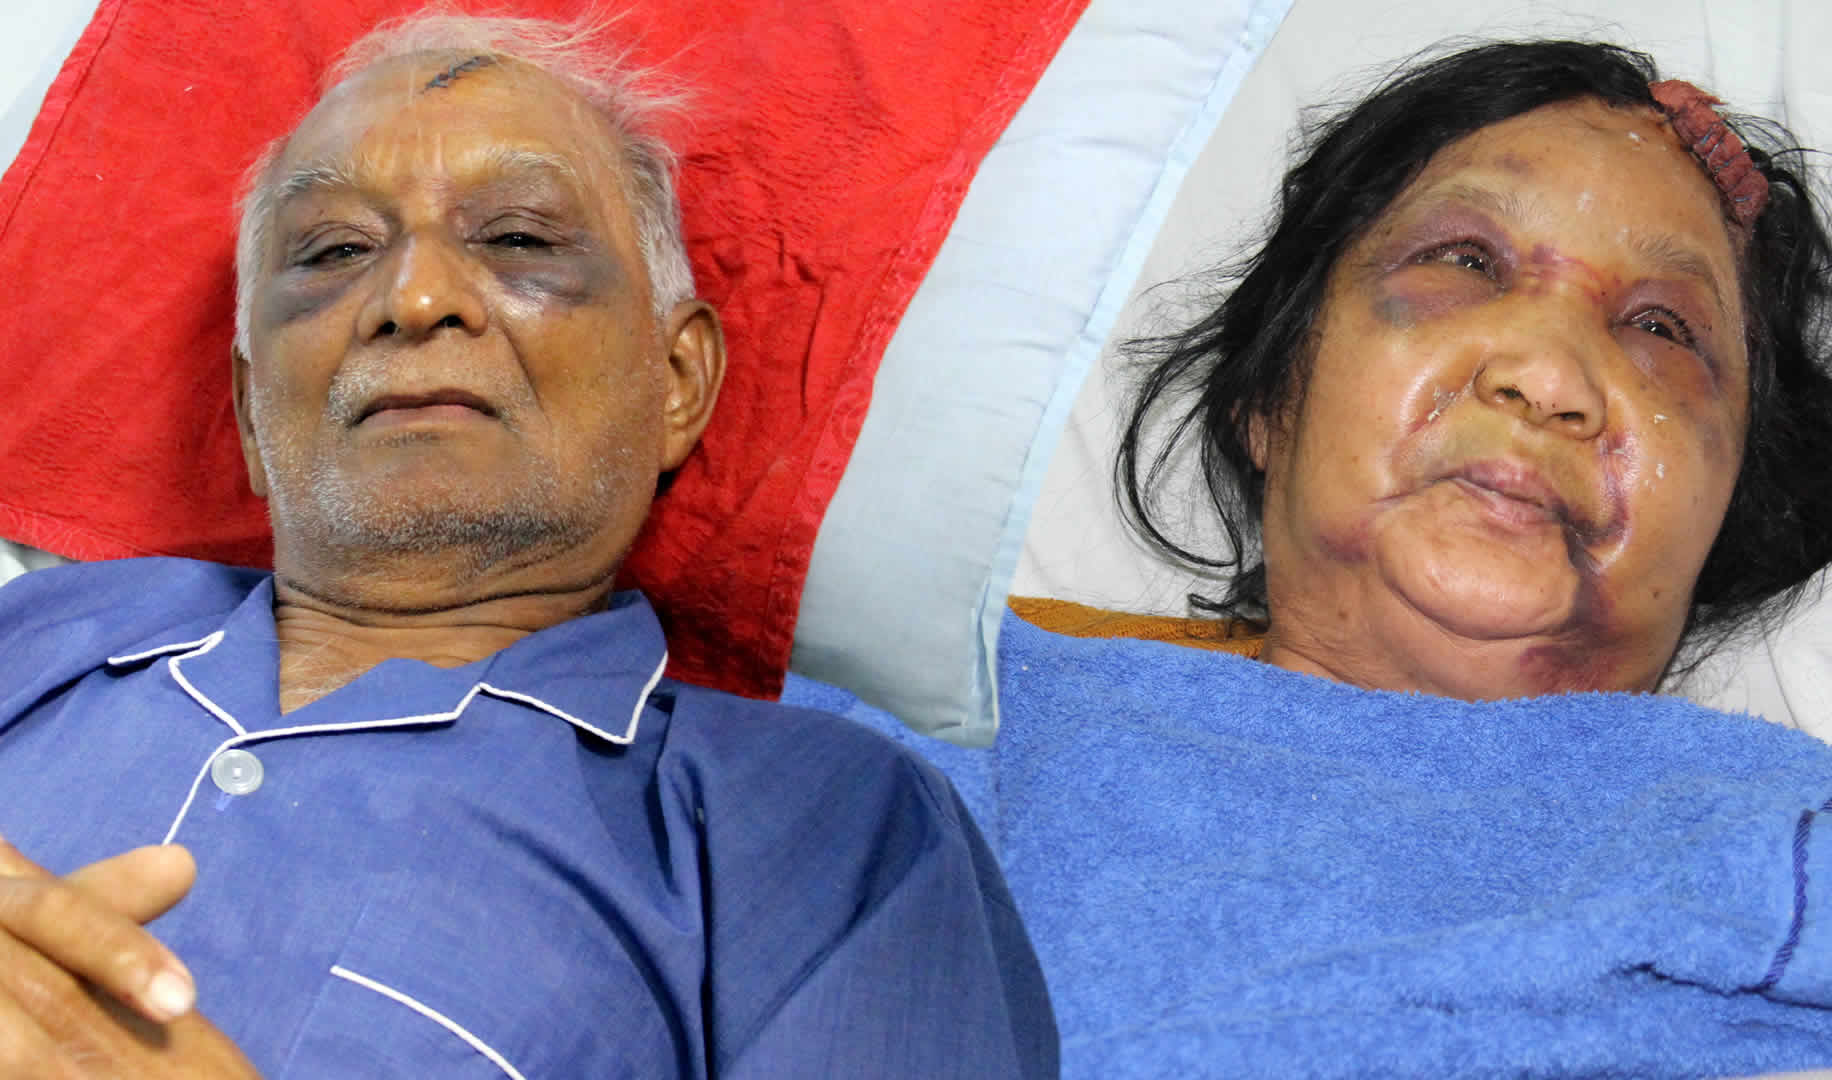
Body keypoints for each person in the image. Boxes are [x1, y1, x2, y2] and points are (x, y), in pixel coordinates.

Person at [0, 13, 1055, 1079]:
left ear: (676, 381)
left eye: (517, 238)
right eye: (334, 251)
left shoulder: (824, 830)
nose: (413, 299)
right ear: (247, 412)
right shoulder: (39, 631)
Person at [918, 38, 1832, 1077]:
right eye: (1467, 262)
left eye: (1662, 327)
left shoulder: (1779, 847)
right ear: (1270, 398)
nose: (1546, 376)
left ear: (1727, 513)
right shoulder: (970, 697)